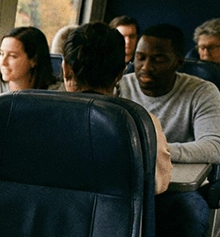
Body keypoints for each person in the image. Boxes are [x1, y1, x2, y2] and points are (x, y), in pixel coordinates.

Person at [118, 23, 220, 237]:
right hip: (126, 184)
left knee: (188, 218)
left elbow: (213, 147)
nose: (145, 67)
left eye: (158, 59)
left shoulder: (202, 91)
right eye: (140, 57)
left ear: (179, 61)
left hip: (178, 190)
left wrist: (153, 148)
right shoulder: (119, 87)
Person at [60, 22, 171, 195]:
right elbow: (157, 184)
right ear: (121, 73)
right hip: (109, 221)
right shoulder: (141, 123)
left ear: (65, 69)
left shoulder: (27, 114)